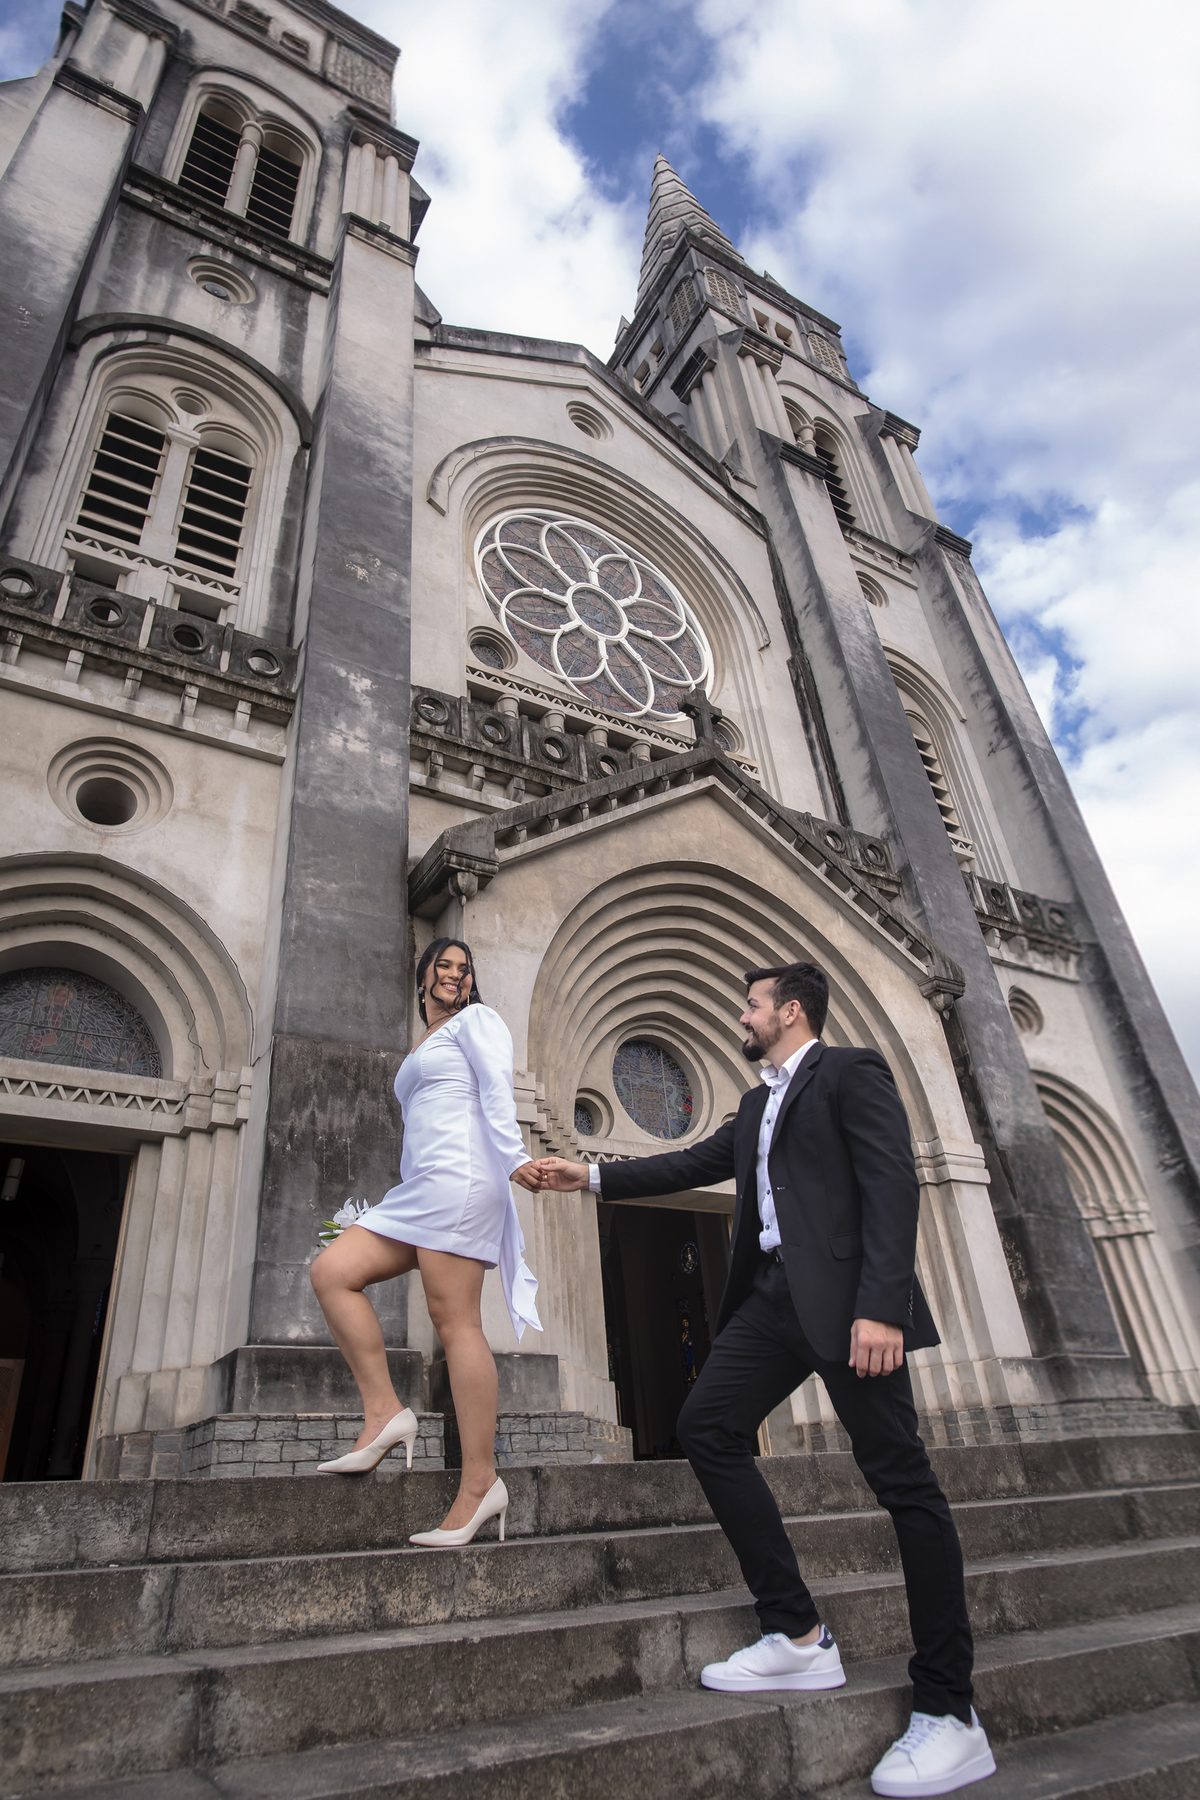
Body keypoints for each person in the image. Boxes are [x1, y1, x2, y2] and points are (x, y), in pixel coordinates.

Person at [536, 961, 996, 1798]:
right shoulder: (754, 1105)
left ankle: (950, 1708)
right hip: (773, 1300)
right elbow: (688, 1162)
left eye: (751, 1004)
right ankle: (796, 1633)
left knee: (905, 1484)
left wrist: (882, 1307)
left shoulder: (850, 1072)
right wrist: (589, 1175)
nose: (741, 1015)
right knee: (707, 1427)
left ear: (790, 1012)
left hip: (851, 1303)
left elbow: (891, 1184)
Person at [310, 936, 543, 1548]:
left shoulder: (477, 1021)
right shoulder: (427, 1039)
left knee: (456, 1322)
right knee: (332, 1272)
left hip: (461, 1178)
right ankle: (384, 1412)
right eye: (444, 964)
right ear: (423, 977)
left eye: (464, 969)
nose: (455, 975)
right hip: (421, 1187)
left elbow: (496, 1089)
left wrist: (515, 1157)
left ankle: (481, 1483)